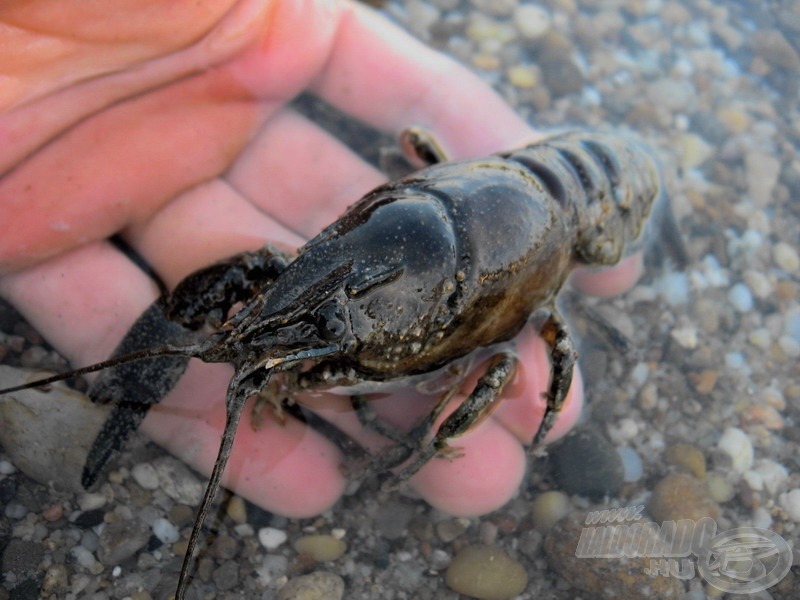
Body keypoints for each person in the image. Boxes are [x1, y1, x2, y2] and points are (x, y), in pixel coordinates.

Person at [0, 0, 643, 518]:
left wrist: (435, 432)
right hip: (476, 200)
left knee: (497, 373)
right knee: (271, 298)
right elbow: (268, 275)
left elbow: (489, 366)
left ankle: (422, 452)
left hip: (594, 193)